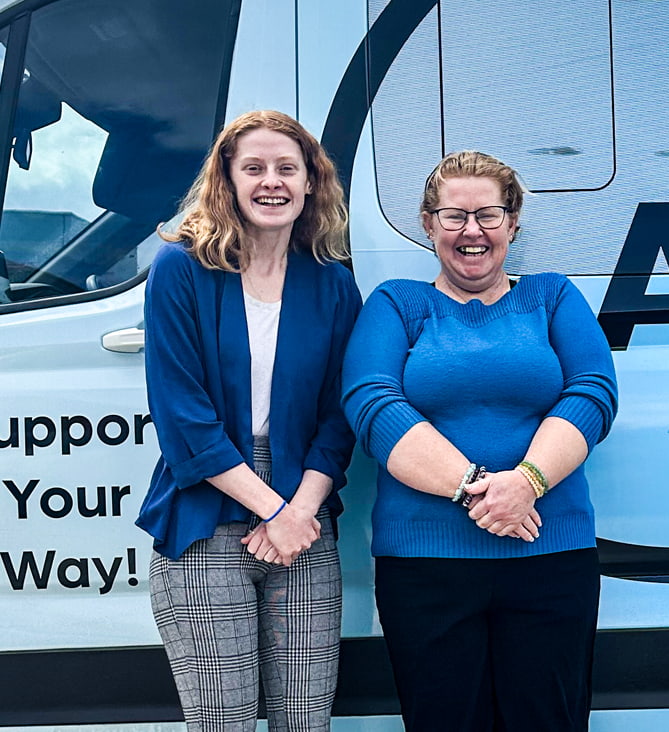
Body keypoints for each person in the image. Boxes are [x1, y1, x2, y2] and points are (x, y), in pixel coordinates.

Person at [341, 150, 618, 731]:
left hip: (549, 557)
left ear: (513, 224)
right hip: (426, 568)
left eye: (489, 215)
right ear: (428, 224)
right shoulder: (397, 303)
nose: (472, 232)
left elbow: (593, 393)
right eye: (454, 216)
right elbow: (372, 404)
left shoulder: (552, 296)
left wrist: (527, 483)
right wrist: (479, 491)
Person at [134, 110, 362, 731]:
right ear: (227, 180)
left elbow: (342, 416)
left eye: (287, 168)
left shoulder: (333, 285)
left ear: (311, 181)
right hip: (207, 508)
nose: (272, 181)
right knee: (222, 722)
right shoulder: (181, 270)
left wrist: (300, 511)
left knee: (304, 722)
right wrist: (275, 512)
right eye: (254, 167)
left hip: (305, 514)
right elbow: (185, 421)